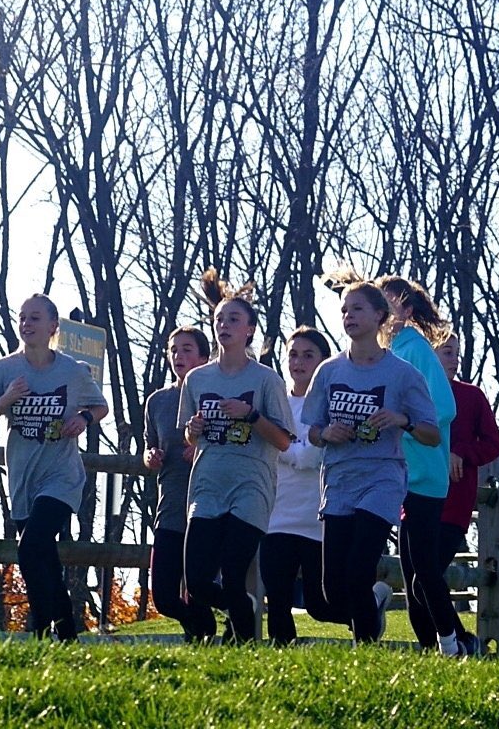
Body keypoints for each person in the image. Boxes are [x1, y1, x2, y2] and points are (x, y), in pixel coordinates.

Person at [302, 281, 440, 644]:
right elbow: (312, 432)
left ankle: (364, 649)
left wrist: (401, 421)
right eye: (345, 310)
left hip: (382, 478)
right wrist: (326, 433)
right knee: (332, 589)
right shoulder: (329, 372)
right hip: (339, 480)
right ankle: (373, 610)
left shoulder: (402, 373)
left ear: (380, 315)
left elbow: (432, 433)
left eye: (357, 309)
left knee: (358, 570)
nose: (348, 316)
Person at [0, 293, 109, 642]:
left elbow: (101, 406)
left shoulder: (73, 371)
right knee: (41, 555)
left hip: (62, 476)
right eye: (22, 318)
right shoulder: (2, 371)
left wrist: (83, 418)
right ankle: (64, 635)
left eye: (34, 318)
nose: (26, 324)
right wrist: (6, 400)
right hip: (22, 477)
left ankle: (40, 628)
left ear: (52, 327)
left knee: (32, 546)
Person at [179, 269, 294, 643]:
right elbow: (188, 435)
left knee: (232, 569)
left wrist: (250, 414)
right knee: (196, 579)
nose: (223, 325)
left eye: (233, 319)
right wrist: (192, 431)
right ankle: (239, 603)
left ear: (249, 330)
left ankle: (244, 644)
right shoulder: (197, 380)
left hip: (251, 487)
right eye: (218, 319)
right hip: (207, 486)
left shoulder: (266, 380)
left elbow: (282, 441)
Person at [375, 275, 462, 656]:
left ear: (406, 310)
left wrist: (403, 424)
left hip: (425, 474)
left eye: (387, 302)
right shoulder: (387, 353)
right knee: (411, 571)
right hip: (399, 475)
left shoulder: (418, 350)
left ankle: (452, 643)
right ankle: (431, 649)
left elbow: (445, 408)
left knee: (424, 568)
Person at [259, 326, 352, 645]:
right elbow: (268, 447)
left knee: (319, 604)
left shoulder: (330, 405)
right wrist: (289, 447)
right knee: (278, 600)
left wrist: (284, 446)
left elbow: (312, 458)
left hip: (317, 519)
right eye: (293, 355)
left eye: (308, 355)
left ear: (323, 361)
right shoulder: (276, 404)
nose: (299, 362)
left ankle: (367, 611)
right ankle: (279, 664)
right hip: (277, 516)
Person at [433, 331, 499, 655]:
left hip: (455, 502)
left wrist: (460, 452)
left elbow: (494, 444)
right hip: (415, 500)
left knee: (429, 574)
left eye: (456, 352)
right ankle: (447, 646)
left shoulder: (472, 396)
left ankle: (462, 642)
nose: (454, 357)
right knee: (418, 583)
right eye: (447, 351)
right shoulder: (414, 393)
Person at [142, 326, 211, 641]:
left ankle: (202, 639)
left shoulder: (213, 395)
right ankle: (202, 627)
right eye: (173, 350)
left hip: (208, 505)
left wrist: (203, 449)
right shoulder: (158, 401)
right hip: (169, 506)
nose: (178, 356)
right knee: (164, 596)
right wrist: (151, 457)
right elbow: (149, 448)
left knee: (199, 587)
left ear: (203, 357)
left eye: (186, 350)